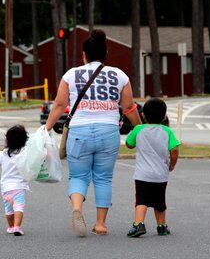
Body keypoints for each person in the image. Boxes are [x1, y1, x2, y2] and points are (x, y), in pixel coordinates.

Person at [45, 29, 141, 237]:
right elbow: (129, 108)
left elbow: (60, 105)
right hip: (109, 131)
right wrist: (141, 128)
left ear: (84, 55)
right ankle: (100, 224)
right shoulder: (119, 75)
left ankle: (77, 209)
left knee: (79, 175)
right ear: (105, 54)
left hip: (79, 131)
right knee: (103, 178)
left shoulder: (71, 75)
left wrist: (47, 127)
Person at [125, 98, 180, 238]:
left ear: (143, 114)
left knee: (141, 200)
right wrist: (172, 164)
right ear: (164, 115)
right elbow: (174, 150)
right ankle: (161, 226)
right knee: (160, 201)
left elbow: (129, 144)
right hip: (161, 174)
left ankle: (138, 224)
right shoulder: (167, 131)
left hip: (142, 175)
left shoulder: (139, 129)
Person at [0, 125, 29, 236]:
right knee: (19, 207)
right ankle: (17, 227)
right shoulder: (25, 153)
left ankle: (10, 227)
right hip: (19, 187)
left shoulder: (4, 154)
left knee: (8, 210)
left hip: (6, 188)